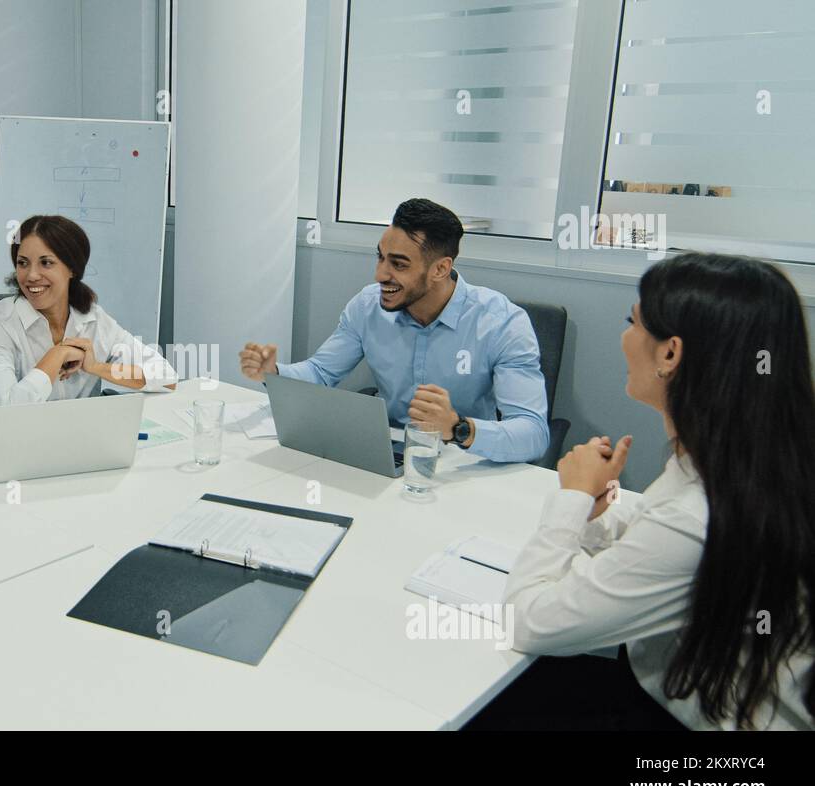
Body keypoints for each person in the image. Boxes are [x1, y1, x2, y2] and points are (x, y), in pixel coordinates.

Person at [496, 252, 814, 730]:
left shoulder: (697, 512)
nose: (624, 336)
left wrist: (573, 498)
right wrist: (603, 512)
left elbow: (526, 620)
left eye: (633, 322)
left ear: (670, 354)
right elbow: (665, 531)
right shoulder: (747, 460)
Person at [239, 198, 548, 463]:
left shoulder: (502, 322)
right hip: (386, 456)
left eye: (398, 265)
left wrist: (456, 427)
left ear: (440, 268)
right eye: (380, 257)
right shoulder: (367, 307)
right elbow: (321, 373)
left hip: (463, 463)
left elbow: (533, 432)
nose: (380, 274)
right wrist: (274, 372)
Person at [0, 214, 176, 430]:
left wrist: (97, 367)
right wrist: (57, 354)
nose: (31, 275)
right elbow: (9, 411)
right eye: (23, 263)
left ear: (71, 269)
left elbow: (165, 377)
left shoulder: (93, 319)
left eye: (46, 263)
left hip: (77, 439)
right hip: (7, 442)